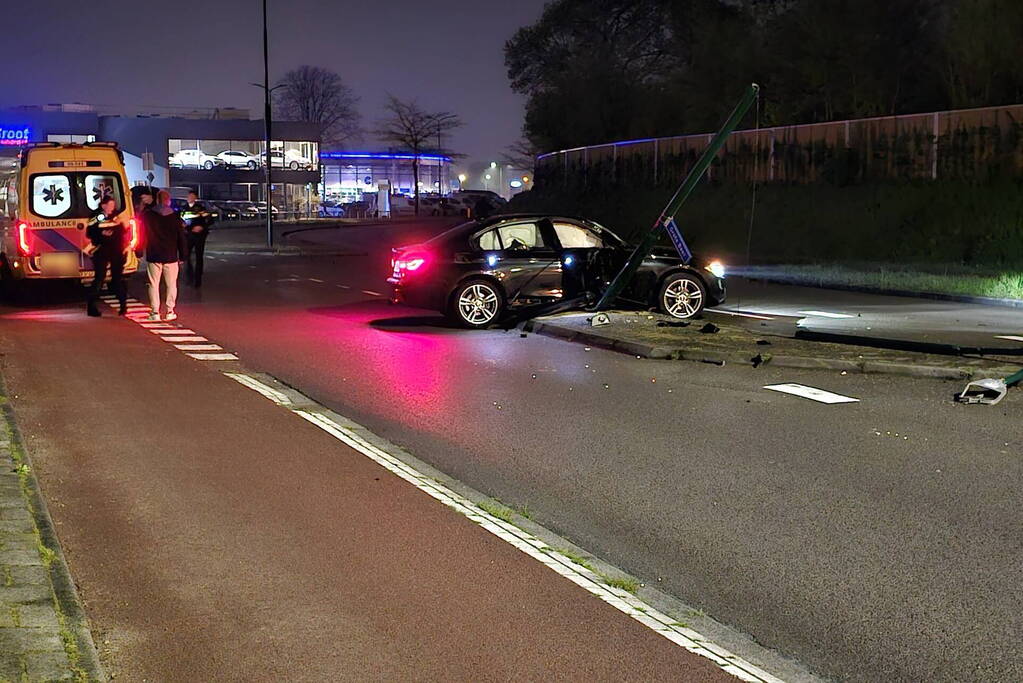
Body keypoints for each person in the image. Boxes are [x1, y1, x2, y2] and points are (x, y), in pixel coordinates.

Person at [144, 190, 187, 321]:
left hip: (154, 254)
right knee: (171, 284)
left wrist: (139, 251)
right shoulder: (174, 217)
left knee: (153, 284)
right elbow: (181, 237)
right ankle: (170, 311)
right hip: (171, 255)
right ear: (168, 201)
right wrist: (183, 255)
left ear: (157, 200)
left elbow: (143, 234)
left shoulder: (149, 216)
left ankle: (155, 312)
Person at [85, 197, 128, 317]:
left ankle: (123, 306)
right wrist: (102, 234)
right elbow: (90, 232)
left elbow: (122, 231)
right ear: (103, 206)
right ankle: (92, 307)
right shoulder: (97, 216)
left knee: (117, 279)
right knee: (99, 278)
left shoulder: (116, 217)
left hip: (116, 250)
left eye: (113, 206)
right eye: (110, 205)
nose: (112, 208)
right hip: (101, 250)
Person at [180, 190, 212, 288]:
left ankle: (198, 279)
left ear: (195, 198)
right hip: (188, 235)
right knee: (187, 256)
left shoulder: (200, 208)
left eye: (192, 196)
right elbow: (180, 220)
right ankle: (189, 276)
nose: (190, 198)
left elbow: (209, 219)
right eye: (189, 196)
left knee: (199, 256)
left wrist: (202, 227)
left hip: (199, 236)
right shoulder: (183, 208)